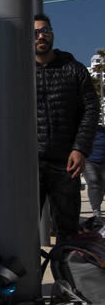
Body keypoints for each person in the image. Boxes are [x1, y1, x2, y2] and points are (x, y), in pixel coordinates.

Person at [33, 14, 100, 238]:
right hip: (28, 164)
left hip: (65, 163)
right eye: (35, 33)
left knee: (67, 230)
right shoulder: (17, 72)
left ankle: (65, 272)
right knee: (20, 230)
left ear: (52, 34)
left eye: (45, 30)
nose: (41, 36)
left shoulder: (74, 69)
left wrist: (80, 148)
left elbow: (91, 109)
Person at [82, 124, 105, 221]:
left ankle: (97, 205)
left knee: (102, 186)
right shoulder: (84, 130)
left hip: (103, 162)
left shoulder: (102, 130)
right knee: (93, 182)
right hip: (88, 161)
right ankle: (96, 211)